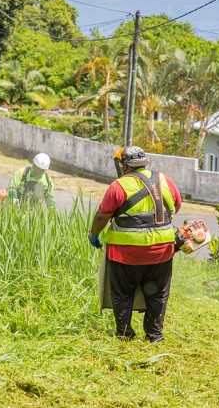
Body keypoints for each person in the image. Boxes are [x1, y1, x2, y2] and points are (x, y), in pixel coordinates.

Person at [87, 146, 182, 342]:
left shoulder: (118, 186)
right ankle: (154, 336)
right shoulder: (164, 179)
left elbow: (102, 216)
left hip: (126, 253)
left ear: (124, 164)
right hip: (162, 251)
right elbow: (177, 204)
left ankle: (124, 334)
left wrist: (93, 234)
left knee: (123, 293)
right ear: (144, 162)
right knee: (157, 294)